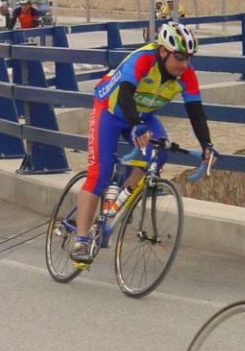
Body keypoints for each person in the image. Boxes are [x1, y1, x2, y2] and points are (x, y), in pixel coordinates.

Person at [70, 22, 217, 264]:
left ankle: (120, 199)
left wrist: (207, 145)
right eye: (179, 56)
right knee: (99, 172)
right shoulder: (143, 59)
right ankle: (81, 240)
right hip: (110, 111)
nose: (184, 63)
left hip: (143, 116)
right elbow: (125, 92)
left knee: (159, 154)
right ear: (163, 51)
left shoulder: (187, 75)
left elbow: (196, 111)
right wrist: (135, 123)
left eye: (189, 58)